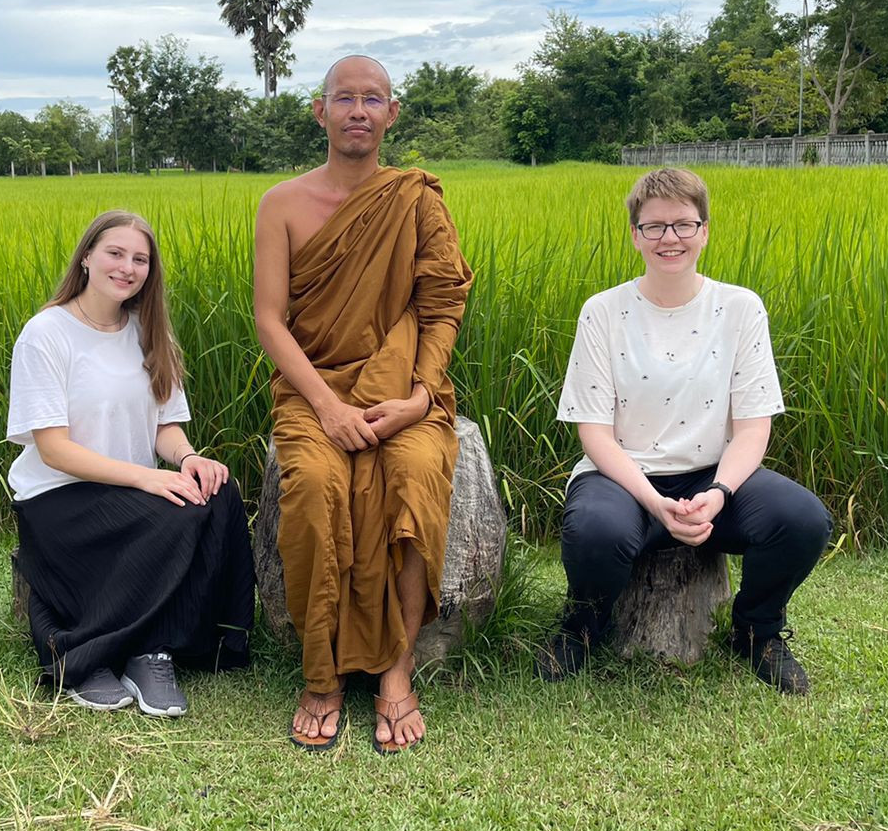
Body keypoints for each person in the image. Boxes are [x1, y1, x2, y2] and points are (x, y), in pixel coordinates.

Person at [253, 55, 473, 753]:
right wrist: (326, 407)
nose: (357, 110)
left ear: (391, 114)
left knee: (413, 476)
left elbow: (441, 307)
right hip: (312, 390)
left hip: (403, 391)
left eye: (371, 99)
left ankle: (396, 670)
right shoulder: (281, 203)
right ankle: (321, 676)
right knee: (316, 484)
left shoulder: (416, 199)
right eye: (343, 98)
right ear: (319, 112)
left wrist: (419, 399)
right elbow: (269, 320)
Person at [542, 167, 831, 694]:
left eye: (683, 224)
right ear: (635, 236)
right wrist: (654, 502)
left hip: (714, 477)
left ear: (704, 231)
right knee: (594, 532)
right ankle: (584, 626)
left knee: (803, 519)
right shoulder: (602, 312)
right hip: (624, 477)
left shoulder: (741, 308)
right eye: (653, 227)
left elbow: (751, 428)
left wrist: (719, 493)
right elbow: (595, 433)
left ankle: (756, 629)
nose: (669, 238)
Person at [6, 210, 254, 716]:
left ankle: (154, 651)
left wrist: (188, 459)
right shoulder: (46, 333)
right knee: (168, 513)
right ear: (88, 258)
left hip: (131, 491)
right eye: (115, 253)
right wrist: (149, 478)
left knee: (217, 494)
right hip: (59, 496)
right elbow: (53, 448)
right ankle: (83, 653)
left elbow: (165, 426)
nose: (128, 267)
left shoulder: (147, 331)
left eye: (140, 259)